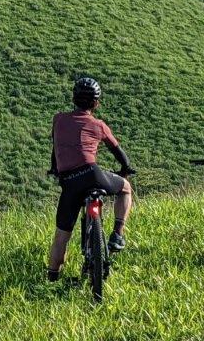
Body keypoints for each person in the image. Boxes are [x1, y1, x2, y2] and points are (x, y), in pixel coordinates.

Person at [46, 76, 136, 282]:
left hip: (70, 182)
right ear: (96, 103)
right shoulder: (99, 125)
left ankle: (52, 278)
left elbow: (56, 147)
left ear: (73, 99)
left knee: (62, 235)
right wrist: (126, 169)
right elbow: (119, 153)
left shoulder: (58, 119)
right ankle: (118, 234)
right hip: (93, 175)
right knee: (125, 188)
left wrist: (55, 169)